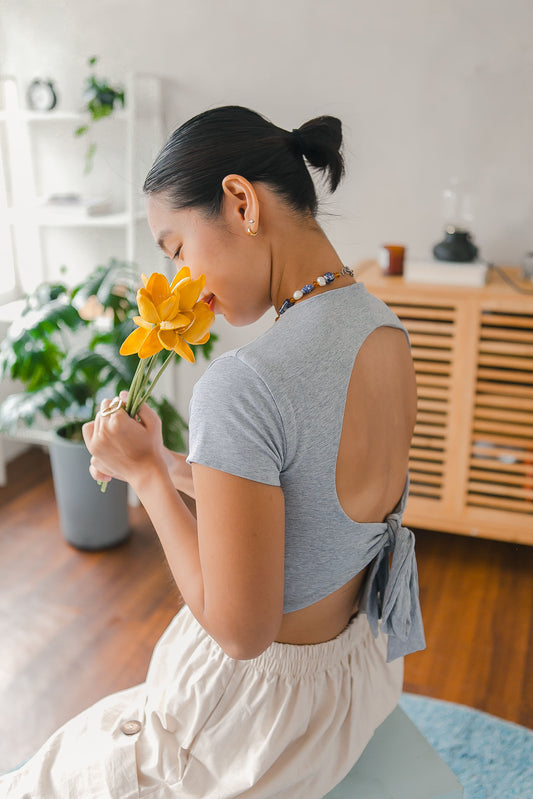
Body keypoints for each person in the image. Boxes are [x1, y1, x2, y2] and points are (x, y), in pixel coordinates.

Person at [0, 106, 425, 798]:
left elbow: (239, 631)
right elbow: (308, 500)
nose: (184, 280)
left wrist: (144, 478)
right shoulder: (384, 329)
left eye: (175, 249)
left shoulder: (245, 382)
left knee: (38, 779)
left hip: (258, 726)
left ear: (238, 201)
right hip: (355, 680)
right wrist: (170, 464)